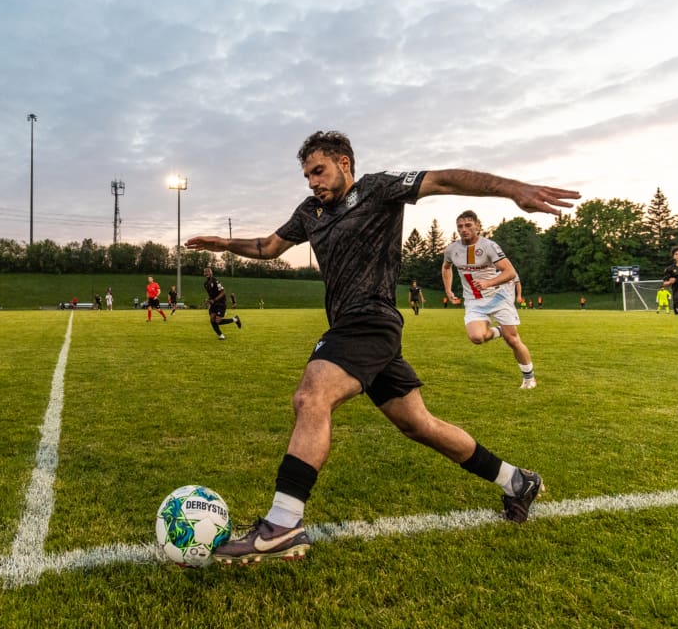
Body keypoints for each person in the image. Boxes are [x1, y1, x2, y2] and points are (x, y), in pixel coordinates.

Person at [185, 130, 578, 564]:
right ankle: (518, 481)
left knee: (311, 396)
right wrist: (225, 244)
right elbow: (268, 247)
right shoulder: (310, 211)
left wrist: (514, 190)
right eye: (306, 175)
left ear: (344, 163)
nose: (312, 182)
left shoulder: (379, 188)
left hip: (368, 321)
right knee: (420, 426)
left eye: (318, 171)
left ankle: (282, 524)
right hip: (361, 331)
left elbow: (445, 180)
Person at [443, 211, 538, 390]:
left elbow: (510, 272)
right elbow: (446, 267)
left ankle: (529, 378)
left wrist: (488, 282)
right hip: (474, 301)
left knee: (513, 339)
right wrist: (448, 289)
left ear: (478, 226)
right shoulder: (452, 249)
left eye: (468, 225)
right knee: (476, 337)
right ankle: (499, 331)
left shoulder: (489, 246)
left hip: (498, 297)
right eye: (460, 227)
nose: (464, 230)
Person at [203, 267, 242, 340]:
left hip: (221, 303)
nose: (206, 273)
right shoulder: (205, 284)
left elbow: (223, 292)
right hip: (213, 303)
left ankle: (235, 319)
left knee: (218, 321)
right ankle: (221, 335)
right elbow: (210, 294)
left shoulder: (216, 281)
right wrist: (207, 300)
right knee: (212, 319)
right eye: (205, 272)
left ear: (211, 273)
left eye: (208, 271)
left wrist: (214, 300)